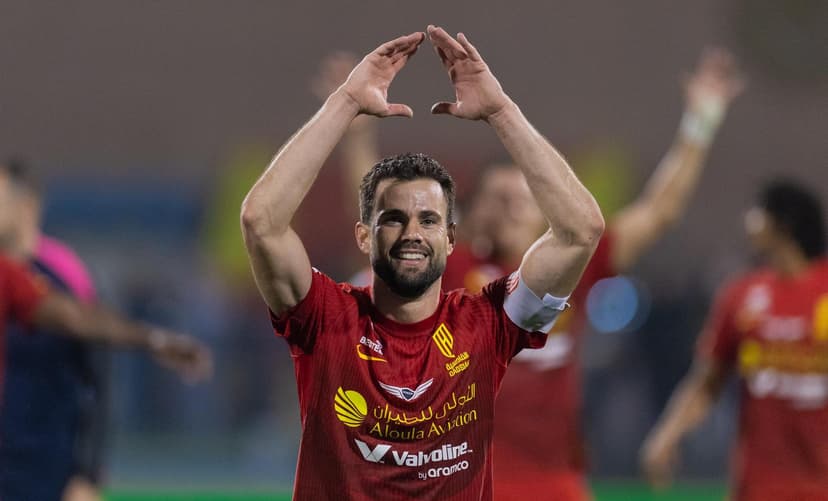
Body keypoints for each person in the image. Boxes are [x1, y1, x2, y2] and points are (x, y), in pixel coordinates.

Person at [317, 47, 744, 499]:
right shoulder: (451, 269)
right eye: (499, 200)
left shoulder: (570, 267)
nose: (512, 209)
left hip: (556, 483)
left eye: (522, 200)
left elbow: (659, 211)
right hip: (465, 482)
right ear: (473, 214)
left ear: (543, 212)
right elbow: (381, 224)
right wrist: (356, 134)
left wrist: (702, 119)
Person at [240, 25, 604, 501]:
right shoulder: (326, 319)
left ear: (451, 239)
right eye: (394, 219)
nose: (412, 233)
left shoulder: (485, 326)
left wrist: (500, 111)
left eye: (428, 220)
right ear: (364, 235)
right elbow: (261, 222)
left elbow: (581, 231)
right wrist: (345, 102)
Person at [0, 160, 213, 501]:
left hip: (46, 463)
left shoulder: (51, 273)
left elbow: (85, 336)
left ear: (26, 204)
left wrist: (88, 471)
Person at [641, 180, 828, 501]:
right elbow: (707, 382)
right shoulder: (741, 296)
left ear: (782, 224)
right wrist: (668, 434)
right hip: (758, 486)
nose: (748, 221)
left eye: (757, 213)